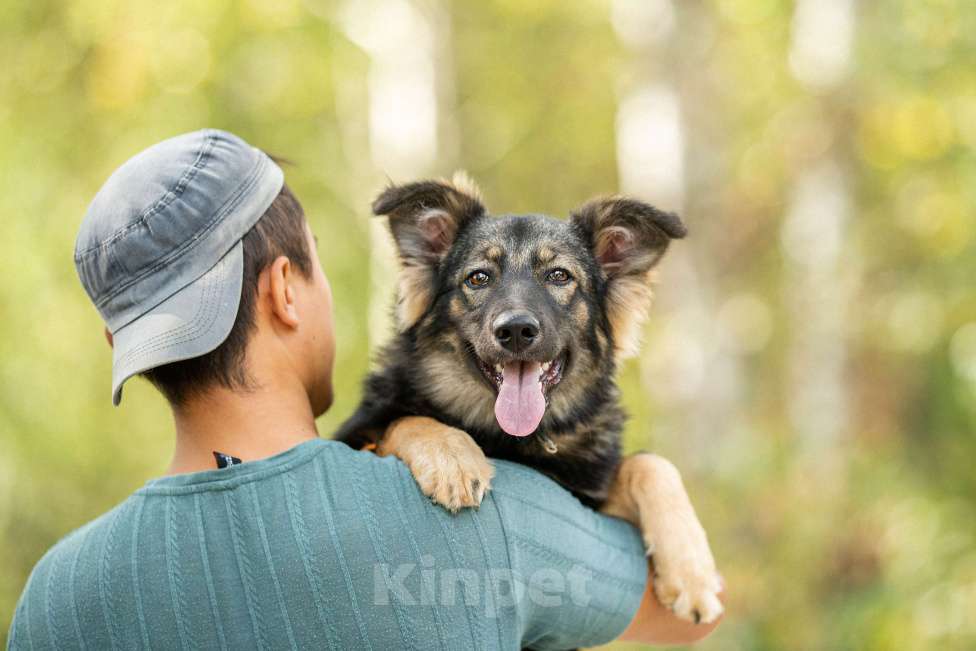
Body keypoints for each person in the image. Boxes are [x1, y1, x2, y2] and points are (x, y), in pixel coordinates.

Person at [7, 129, 721, 649]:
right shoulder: (497, 520)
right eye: (315, 263)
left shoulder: (53, 598)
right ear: (284, 291)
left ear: (122, 345)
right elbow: (687, 616)